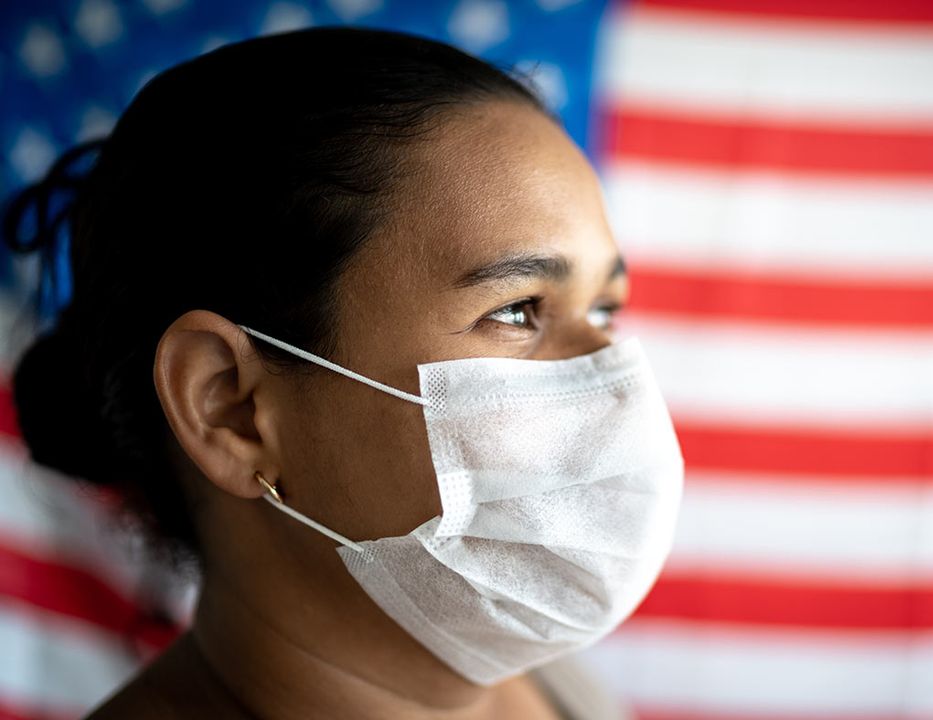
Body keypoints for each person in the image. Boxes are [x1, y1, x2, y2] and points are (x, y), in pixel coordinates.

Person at [1, 26, 684, 720]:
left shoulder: (559, 687)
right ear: (230, 408)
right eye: (516, 311)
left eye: (604, 308)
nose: (613, 380)